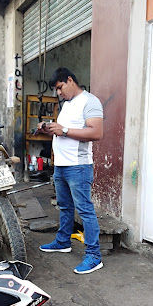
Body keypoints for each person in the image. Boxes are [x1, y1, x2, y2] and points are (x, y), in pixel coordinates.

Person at [37, 67, 103, 275]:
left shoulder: (90, 101)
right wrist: (50, 130)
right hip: (62, 166)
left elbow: (96, 132)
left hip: (78, 167)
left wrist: (63, 130)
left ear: (70, 80)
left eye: (59, 87)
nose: (58, 93)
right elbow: (65, 134)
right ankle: (63, 241)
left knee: (85, 211)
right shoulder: (66, 105)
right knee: (65, 206)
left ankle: (94, 256)